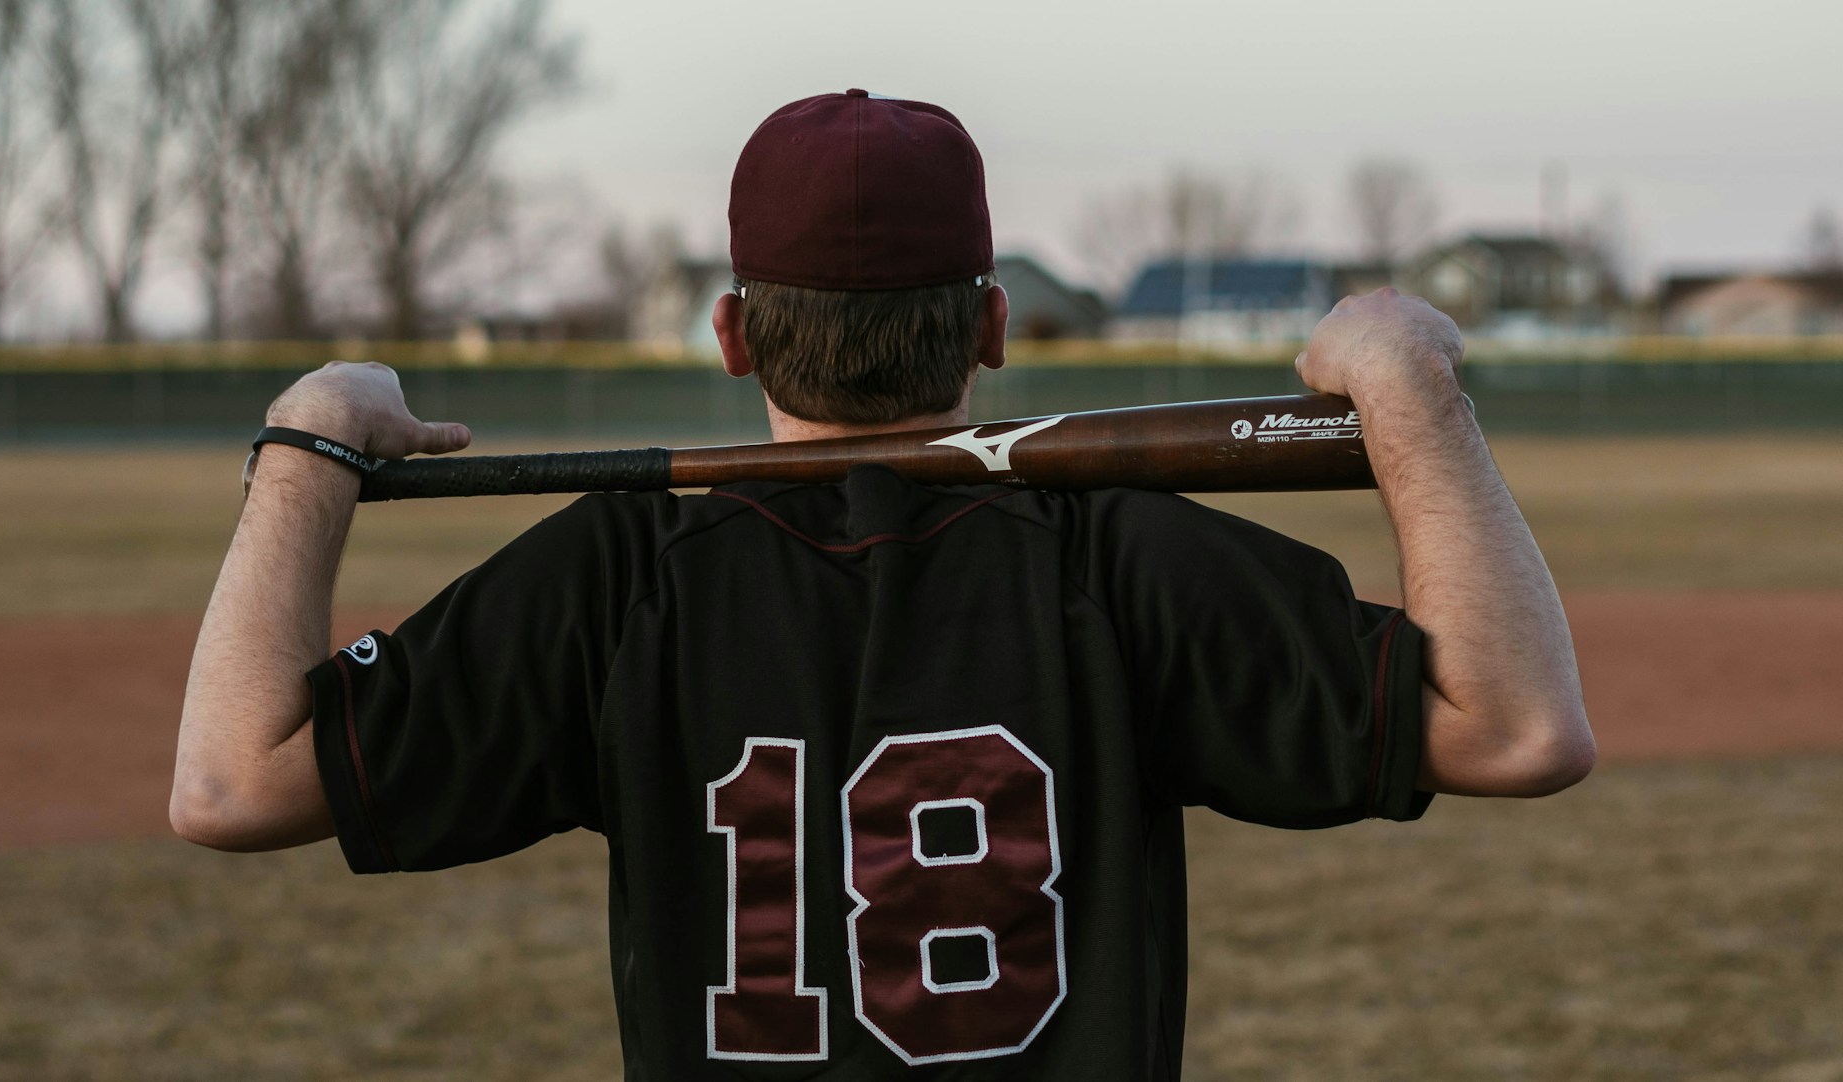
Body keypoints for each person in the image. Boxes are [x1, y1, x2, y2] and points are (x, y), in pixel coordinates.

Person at [172, 89, 1593, 1078]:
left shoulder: (616, 576)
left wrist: (308, 443)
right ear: (990, 324)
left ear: (733, 334)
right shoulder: (1120, 557)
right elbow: (1519, 726)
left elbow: (233, 786)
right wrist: (1414, 394)